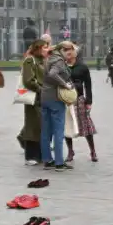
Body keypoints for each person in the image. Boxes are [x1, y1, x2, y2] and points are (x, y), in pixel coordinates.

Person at [40, 42, 76, 170]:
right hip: (55, 98)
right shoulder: (59, 61)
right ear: (63, 50)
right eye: (69, 52)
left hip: (45, 97)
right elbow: (53, 74)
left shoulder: (49, 58)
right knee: (58, 130)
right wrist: (65, 84)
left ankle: (47, 160)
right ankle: (59, 162)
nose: (70, 55)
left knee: (45, 131)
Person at [64, 44, 98, 162]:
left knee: (86, 125)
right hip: (66, 99)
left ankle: (92, 151)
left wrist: (89, 101)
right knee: (67, 126)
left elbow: (88, 85)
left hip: (79, 98)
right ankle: (70, 151)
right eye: (65, 50)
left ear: (75, 52)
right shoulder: (61, 66)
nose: (68, 52)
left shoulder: (82, 67)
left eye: (70, 50)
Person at [19, 40, 48, 165]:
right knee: (33, 126)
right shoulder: (30, 61)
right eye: (44, 47)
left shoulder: (43, 61)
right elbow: (28, 80)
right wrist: (40, 89)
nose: (47, 49)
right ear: (38, 48)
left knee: (41, 126)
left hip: (43, 97)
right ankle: (30, 156)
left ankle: (40, 155)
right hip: (34, 98)